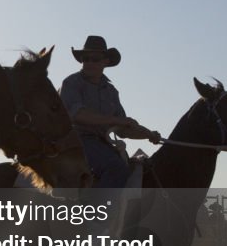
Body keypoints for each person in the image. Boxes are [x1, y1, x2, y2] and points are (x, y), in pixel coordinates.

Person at [59, 36, 161, 189]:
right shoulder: (71, 83)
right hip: (76, 141)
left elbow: (123, 130)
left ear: (105, 62)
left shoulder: (111, 91)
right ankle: (98, 213)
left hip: (103, 144)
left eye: (94, 59)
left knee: (138, 170)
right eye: (85, 58)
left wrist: (148, 134)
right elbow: (78, 115)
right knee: (116, 168)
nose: (89, 63)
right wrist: (118, 121)